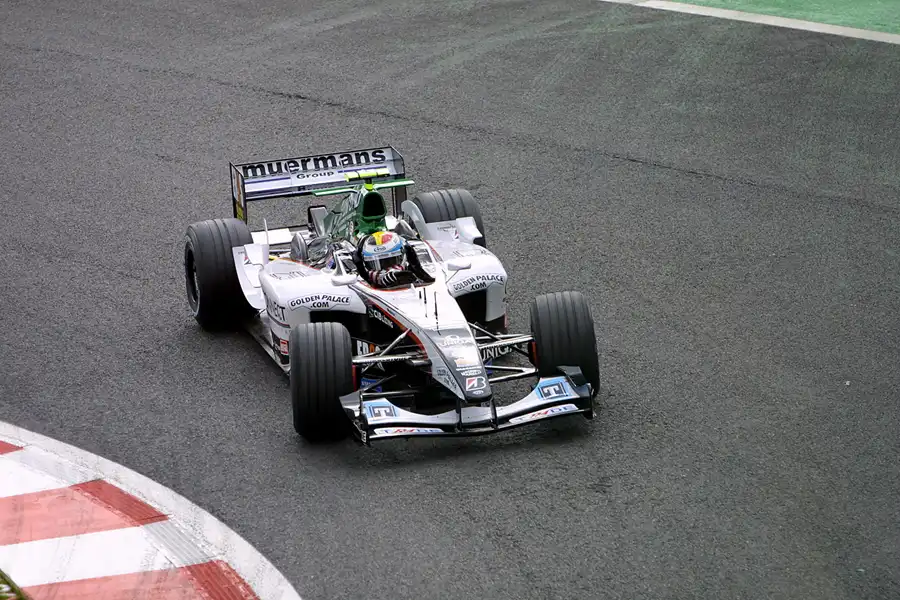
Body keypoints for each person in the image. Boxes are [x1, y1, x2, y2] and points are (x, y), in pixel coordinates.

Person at [353, 230, 434, 288]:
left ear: (404, 257)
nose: (385, 270)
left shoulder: (420, 274)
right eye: (375, 264)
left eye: (390, 262)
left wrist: (413, 280)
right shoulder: (355, 280)